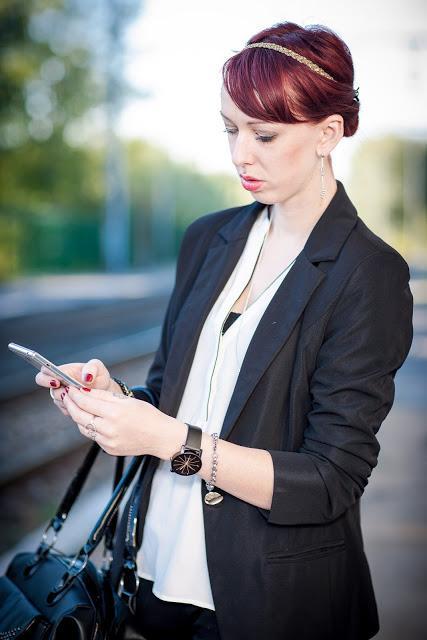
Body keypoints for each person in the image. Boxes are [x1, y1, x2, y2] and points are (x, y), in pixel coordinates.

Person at [36, 20, 413, 640]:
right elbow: (170, 395)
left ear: (329, 132)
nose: (241, 154)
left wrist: (171, 439)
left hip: (272, 603)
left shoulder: (368, 274)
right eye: (230, 129)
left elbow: (330, 481)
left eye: (264, 134)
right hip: (153, 582)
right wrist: (117, 404)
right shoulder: (208, 239)